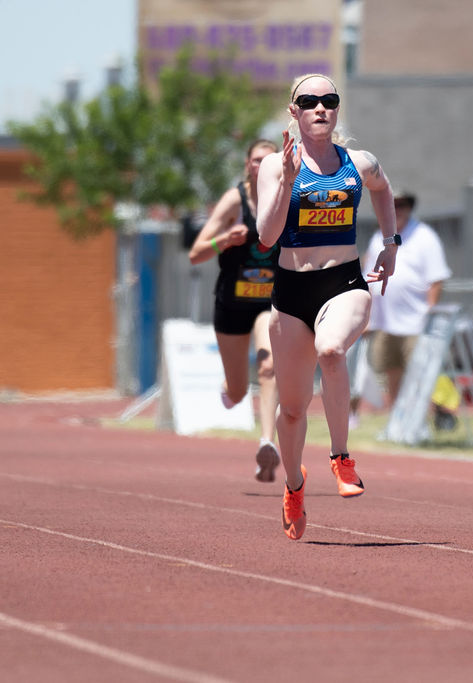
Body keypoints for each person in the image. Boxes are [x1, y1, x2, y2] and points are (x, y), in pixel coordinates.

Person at [256, 73, 398, 540]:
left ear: (337, 109)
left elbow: (383, 187)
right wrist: (289, 183)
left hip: (345, 281)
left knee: (333, 350)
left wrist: (390, 242)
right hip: (292, 291)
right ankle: (295, 486)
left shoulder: (359, 162)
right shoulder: (276, 167)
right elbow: (266, 237)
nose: (320, 107)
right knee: (293, 410)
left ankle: (341, 457)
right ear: (293, 112)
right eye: (309, 101)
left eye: (329, 100)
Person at [188, 139, 281, 483]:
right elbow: (196, 253)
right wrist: (225, 240)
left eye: (269, 161)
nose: (261, 166)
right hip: (231, 303)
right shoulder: (234, 201)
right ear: (247, 165)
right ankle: (230, 387)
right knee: (240, 391)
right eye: (256, 160)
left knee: (269, 365)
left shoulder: (286, 197)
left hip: (268, 302)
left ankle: (266, 444)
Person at [364, 189, 452, 405]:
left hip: (416, 322)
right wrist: (367, 317)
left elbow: (436, 278)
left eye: (401, 205)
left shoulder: (425, 236)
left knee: (419, 374)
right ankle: (396, 420)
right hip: (385, 323)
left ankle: (421, 422)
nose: (396, 210)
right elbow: (369, 277)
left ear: (410, 208)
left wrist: (429, 312)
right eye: (391, 205)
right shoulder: (378, 237)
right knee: (391, 373)